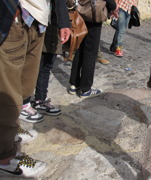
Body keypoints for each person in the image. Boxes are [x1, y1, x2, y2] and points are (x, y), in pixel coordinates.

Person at [0, 0, 70, 177]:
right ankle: (5, 159)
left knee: (25, 87)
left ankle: (10, 134)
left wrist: (62, 21)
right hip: (16, 14)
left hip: (39, 19)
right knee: (9, 94)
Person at [20, 0, 71, 123]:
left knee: (45, 63)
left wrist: (63, 22)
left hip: (48, 18)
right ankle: (22, 103)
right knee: (28, 64)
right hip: (30, 16)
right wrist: (64, 22)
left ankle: (38, 99)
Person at [68, 0, 116, 97]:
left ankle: (74, 84)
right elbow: (111, 3)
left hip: (79, 14)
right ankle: (85, 89)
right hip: (94, 16)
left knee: (79, 49)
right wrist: (113, 7)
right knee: (90, 52)